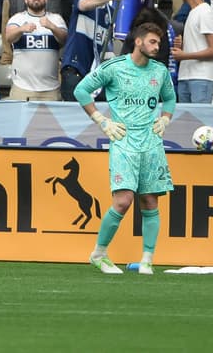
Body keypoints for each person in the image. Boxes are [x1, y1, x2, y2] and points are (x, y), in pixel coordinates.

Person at [74, 21, 176, 275]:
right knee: (123, 200)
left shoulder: (160, 71)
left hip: (151, 145)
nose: (157, 46)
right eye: (153, 41)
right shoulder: (115, 68)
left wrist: (165, 118)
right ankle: (99, 254)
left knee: (150, 202)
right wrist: (101, 120)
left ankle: (147, 261)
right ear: (138, 41)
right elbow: (81, 90)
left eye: (159, 43)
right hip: (124, 142)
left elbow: (171, 97)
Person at [172, 0, 213, 103]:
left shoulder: (205, 12)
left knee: (200, 121)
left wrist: (184, 56)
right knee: (187, 123)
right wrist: (181, 47)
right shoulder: (193, 12)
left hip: (202, 76)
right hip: (186, 75)